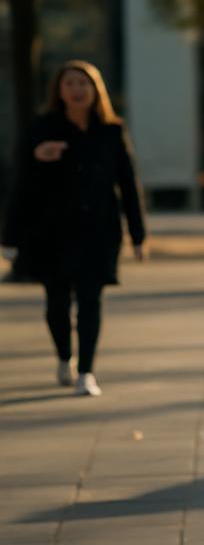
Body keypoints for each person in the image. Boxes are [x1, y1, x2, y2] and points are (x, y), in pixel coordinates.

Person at [1, 60, 148, 397]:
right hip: (51, 232)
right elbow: (21, 185)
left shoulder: (111, 131)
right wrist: (40, 159)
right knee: (56, 304)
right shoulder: (42, 129)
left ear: (96, 90)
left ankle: (86, 371)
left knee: (91, 300)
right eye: (70, 83)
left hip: (99, 230)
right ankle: (64, 357)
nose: (77, 90)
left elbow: (128, 184)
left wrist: (138, 235)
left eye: (84, 83)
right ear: (59, 91)